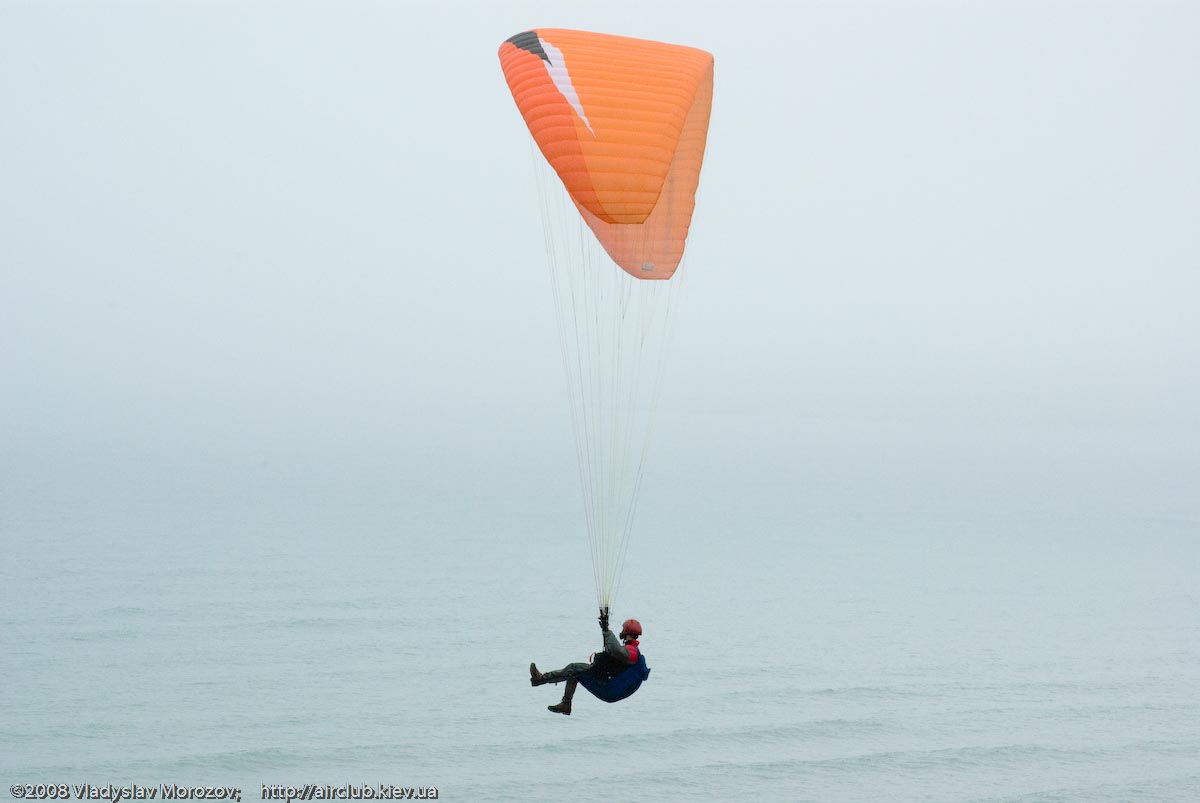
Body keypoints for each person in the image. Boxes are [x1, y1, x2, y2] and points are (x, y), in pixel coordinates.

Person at [529, 611, 645, 716]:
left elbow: (616, 650)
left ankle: (540, 679)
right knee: (576, 672)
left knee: (573, 668)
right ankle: (566, 704)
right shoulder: (631, 650)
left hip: (610, 688)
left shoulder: (632, 651)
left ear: (625, 632)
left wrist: (607, 631)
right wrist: (605, 629)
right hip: (611, 685)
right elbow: (612, 651)